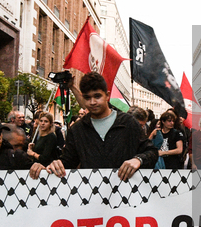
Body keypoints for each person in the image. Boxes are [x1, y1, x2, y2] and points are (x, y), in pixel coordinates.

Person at [29, 72, 157, 181]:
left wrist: (138, 159)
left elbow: (151, 152)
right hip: (91, 199)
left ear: (107, 95)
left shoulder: (128, 123)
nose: (92, 102)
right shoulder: (77, 129)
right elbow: (68, 162)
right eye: (87, 97)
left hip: (125, 198)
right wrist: (47, 168)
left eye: (97, 96)